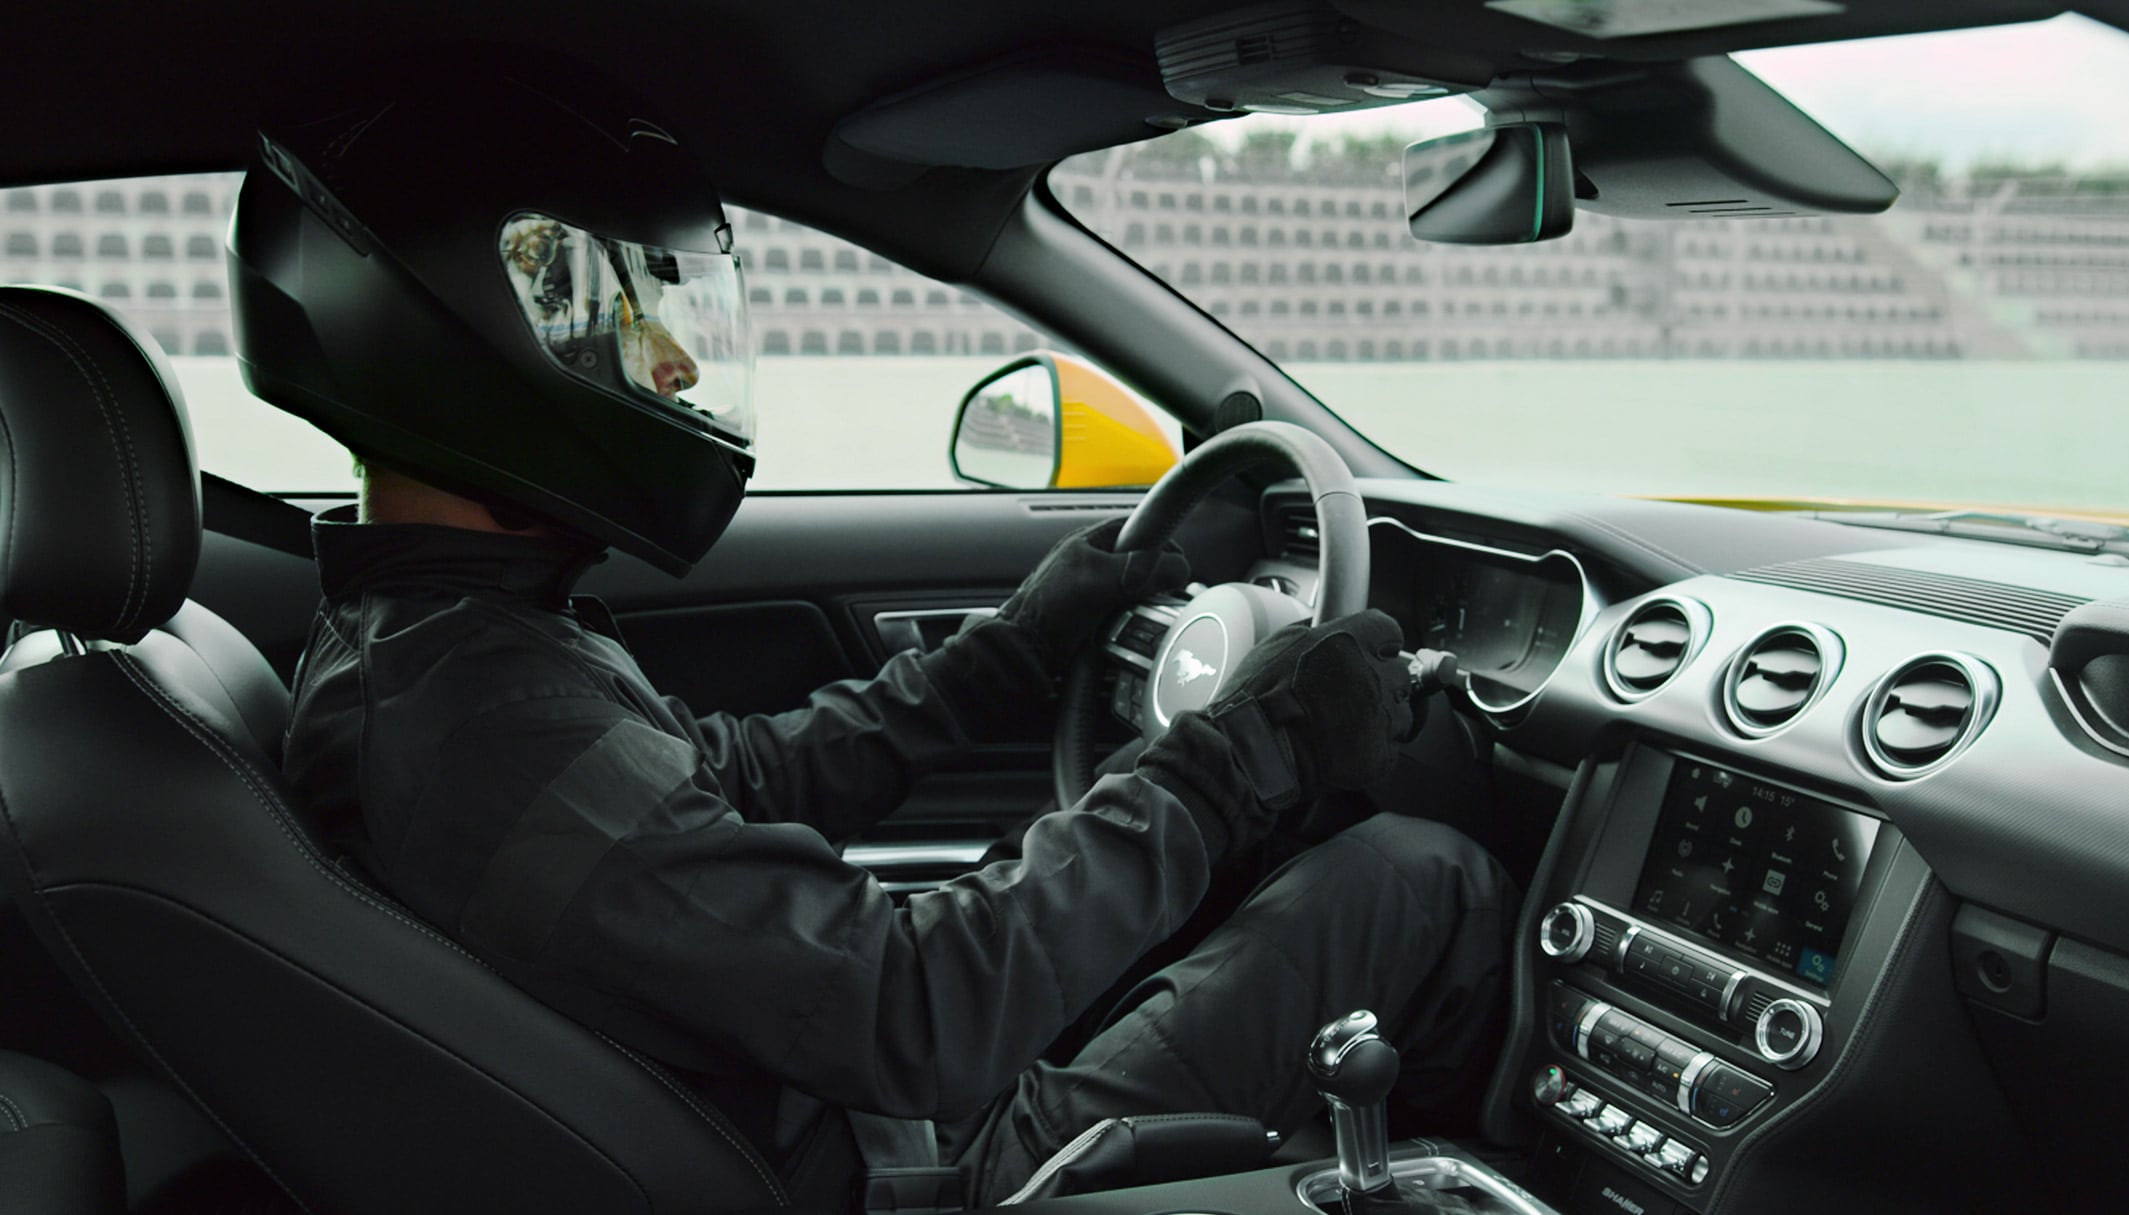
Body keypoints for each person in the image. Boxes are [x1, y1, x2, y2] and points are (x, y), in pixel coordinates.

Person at [237, 59, 1517, 1208]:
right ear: (457, 333)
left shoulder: (443, 650)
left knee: (1232, 873)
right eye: (609, 312)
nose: (671, 373)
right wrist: (1244, 753)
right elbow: (918, 1011)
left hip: (845, 1104)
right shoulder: (479, 722)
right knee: (1415, 877)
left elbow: (733, 783)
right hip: (921, 1166)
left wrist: (1012, 654)